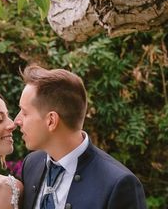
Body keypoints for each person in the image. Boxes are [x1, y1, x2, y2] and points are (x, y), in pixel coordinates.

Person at [15, 65, 146, 209]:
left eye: (25, 113)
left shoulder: (118, 184)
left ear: (51, 121)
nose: (17, 120)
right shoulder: (31, 164)